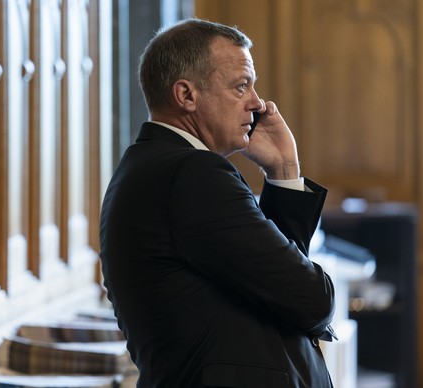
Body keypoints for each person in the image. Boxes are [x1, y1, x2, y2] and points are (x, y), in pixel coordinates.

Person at [99, 18, 336, 387]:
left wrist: (284, 170)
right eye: (241, 86)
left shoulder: (153, 166)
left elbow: (274, 284)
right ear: (187, 96)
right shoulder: (191, 174)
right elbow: (310, 299)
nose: (258, 104)